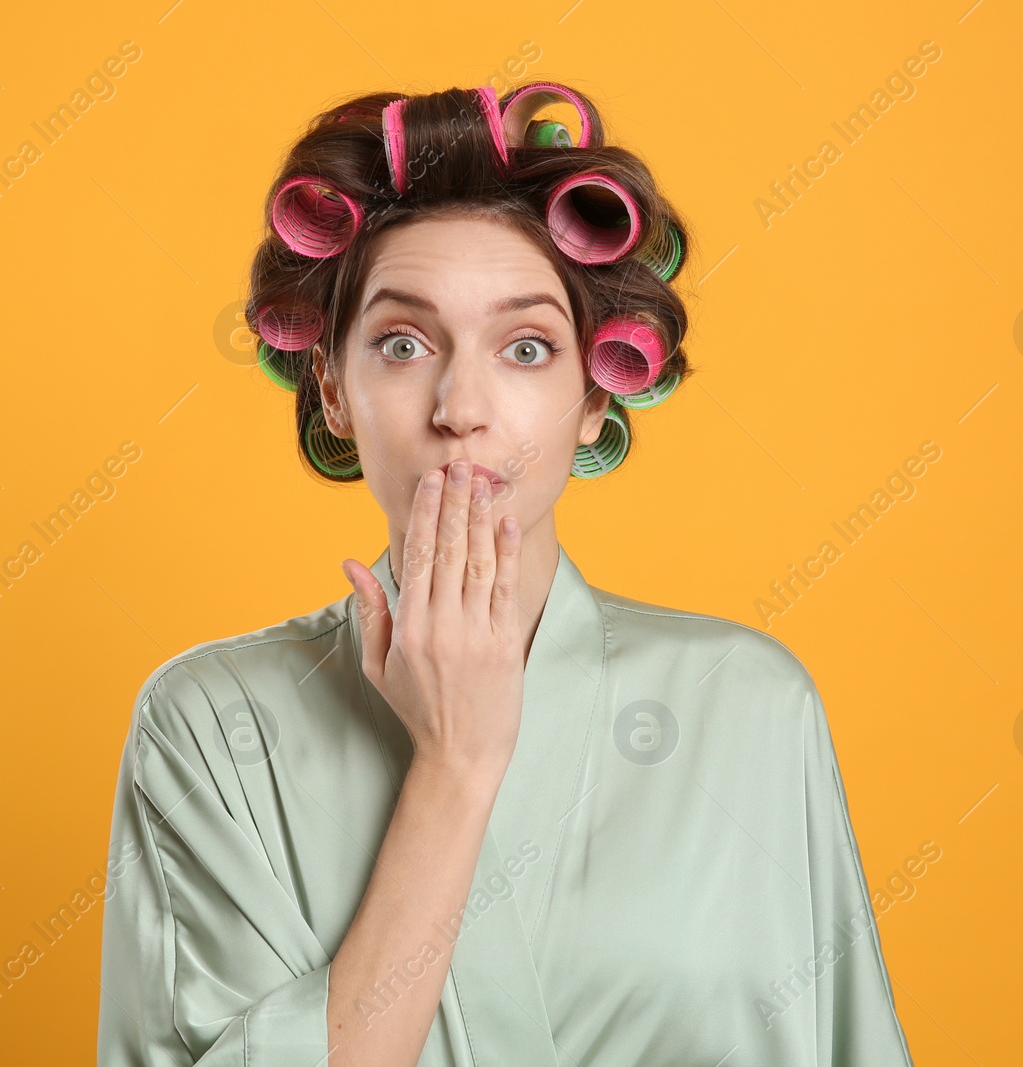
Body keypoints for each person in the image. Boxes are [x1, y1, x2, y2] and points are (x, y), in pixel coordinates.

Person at [97, 82, 915, 1066]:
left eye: (525, 347)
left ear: (590, 396)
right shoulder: (212, 724)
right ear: (334, 388)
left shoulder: (745, 702)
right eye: (402, 343)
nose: (460, 405)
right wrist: (455, 767)